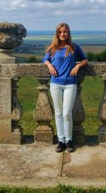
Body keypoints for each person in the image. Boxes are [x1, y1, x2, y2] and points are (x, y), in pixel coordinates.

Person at [42, 22, 88, 153]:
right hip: (55, 83)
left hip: (70, 83)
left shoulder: (74, 47)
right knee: (58, 112)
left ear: (68, 33)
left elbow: (85, 60)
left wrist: (78, 66)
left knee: (67, 113)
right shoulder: (53, 48)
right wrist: (49, 66)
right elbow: (45, 59)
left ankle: (69, 140)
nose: (63, 34)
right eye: (60, 32)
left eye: (65, 32)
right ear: (57, 33)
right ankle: (61, 141)